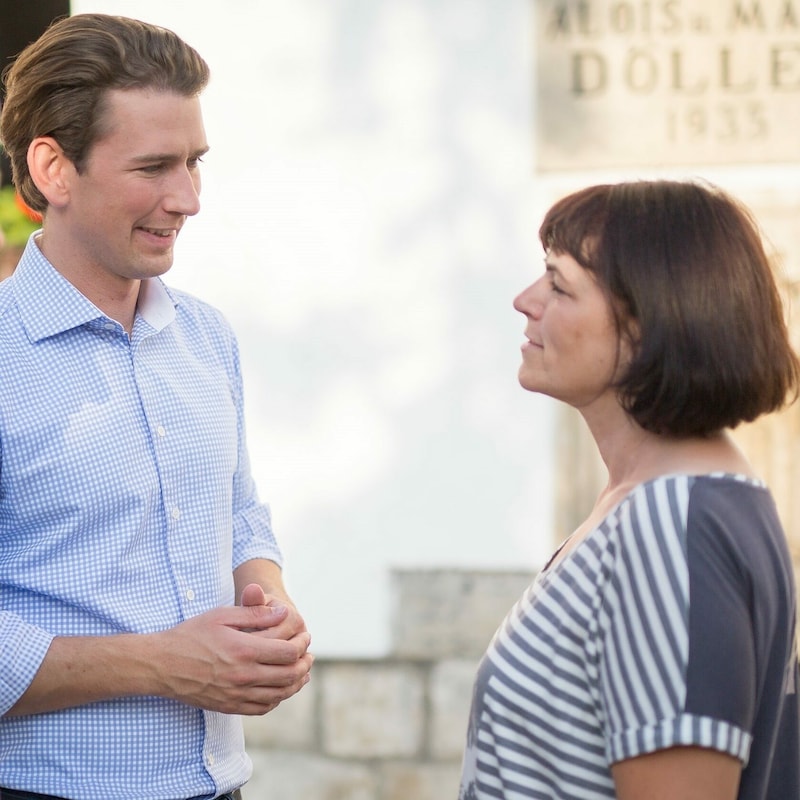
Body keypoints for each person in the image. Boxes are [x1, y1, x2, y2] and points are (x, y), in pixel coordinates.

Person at [0, 13, 313, 800]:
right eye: (154, 166)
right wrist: (165, 664)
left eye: (195, 161)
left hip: (219, 787)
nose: (189, 198)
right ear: (53, 168)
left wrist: (267, 602)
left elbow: (240, 513)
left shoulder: (207, 337)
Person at [459, 180, 800, 800]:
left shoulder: (673, 525)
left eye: (559, 286)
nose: (524, 300)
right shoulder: (661, 504)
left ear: (648, 327)